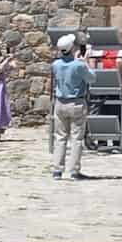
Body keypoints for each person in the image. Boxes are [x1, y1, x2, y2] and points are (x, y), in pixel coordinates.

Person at [49, 33, 91, 181]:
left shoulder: (56, 65)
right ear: (72, 48)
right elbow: (92, 79)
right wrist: (85, 62)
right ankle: (74, 171)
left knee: (60, 137)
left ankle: (57, 170)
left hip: (60, 103)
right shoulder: (79, 65)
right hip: (76, 102)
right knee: (76, 138)